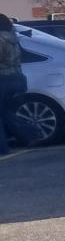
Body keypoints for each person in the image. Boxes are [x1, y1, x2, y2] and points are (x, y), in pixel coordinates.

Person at [0, 13, 24, 155]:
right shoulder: (13, 37)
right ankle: (30, 134)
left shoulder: (1, 39)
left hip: (3, 79)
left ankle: (2, 148)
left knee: (5, 114)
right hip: (17, 77)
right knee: (8, 113)